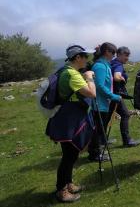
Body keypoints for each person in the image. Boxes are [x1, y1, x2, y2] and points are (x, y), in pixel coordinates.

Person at [45, 45, 96, 202]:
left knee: (71, 154)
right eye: (85, 56)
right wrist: (89, 77)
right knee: (69, 155)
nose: (87, 59)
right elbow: (91, 93)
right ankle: (61, 191)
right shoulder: (72, 74)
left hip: (65, 118)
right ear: (78, 58)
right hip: (68, 120)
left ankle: (68, 184)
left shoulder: (64, 70)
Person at [88, 42, 122, 161]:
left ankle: (96, 151)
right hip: (99, 104)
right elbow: (100, 86)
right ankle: (94, 154)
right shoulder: (100, 67)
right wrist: (113, 96)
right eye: (113, 52)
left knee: (99, 128)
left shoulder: (105, 65)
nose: (114, 55)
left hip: (103, 103)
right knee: (97, 129)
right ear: (106, 52)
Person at [110, 46, 140, 147]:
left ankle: (100, 140)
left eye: (128, 55)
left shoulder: (112, 62)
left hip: (109, 94)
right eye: (125, 55)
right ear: (118, 55)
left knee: (106, 117)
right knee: (125, 115)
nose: (127, 58)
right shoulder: (118, 65)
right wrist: (122, 78)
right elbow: (117, 77)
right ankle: (127, 141)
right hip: (115, 95)